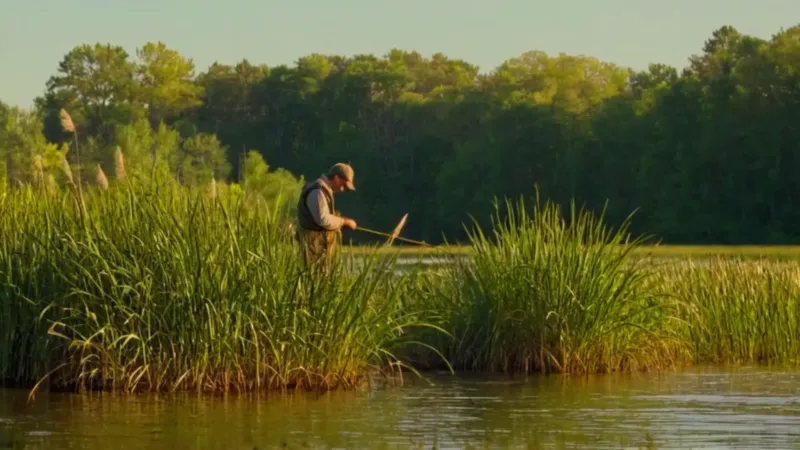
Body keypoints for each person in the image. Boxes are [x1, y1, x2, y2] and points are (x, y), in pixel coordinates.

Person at [295, 163, 358, 273]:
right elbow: (323, 219)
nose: (342, 189)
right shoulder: (317, 191)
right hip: (312, 247)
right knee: (312, 280)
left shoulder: (323, 190)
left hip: (318, 248)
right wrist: (344, 222)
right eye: (343, 185)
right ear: (336, 178)